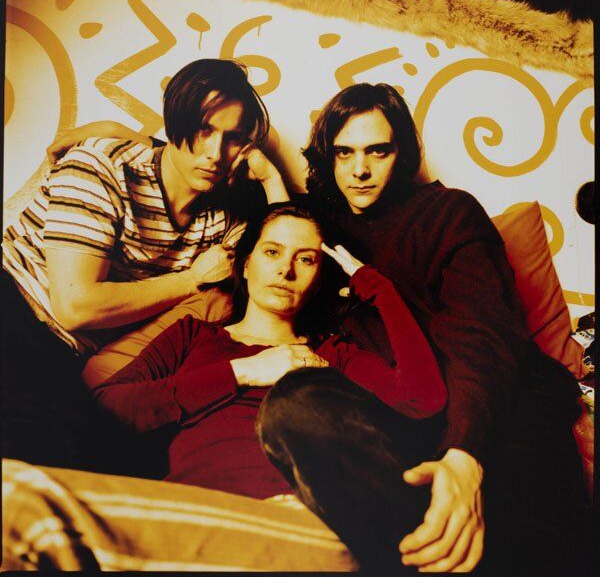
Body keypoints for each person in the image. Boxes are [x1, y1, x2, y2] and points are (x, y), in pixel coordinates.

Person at [279, 82, 588, 575]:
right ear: (327, 157)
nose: (360, 170)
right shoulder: (314, 226)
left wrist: (464, 453)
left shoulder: (448, 212)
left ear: (400, 153)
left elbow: (482, 335)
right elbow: (267, 245)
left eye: (377, 151)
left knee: (524, 541)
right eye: (344, 153)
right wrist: (264, 174)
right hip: (404, 406)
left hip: (500, 399)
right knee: (295, 406)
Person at [84, 202, 446, 567]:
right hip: (191, 512)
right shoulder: (192, 335)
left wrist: (380, 289)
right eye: (272, 252)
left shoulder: (331, 354)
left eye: (306, 259)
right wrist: (243, 371)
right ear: (246, 264)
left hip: (298, 522)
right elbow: (107, 408)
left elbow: (423, 400)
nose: (285, 270)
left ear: (319, 278)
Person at [1, 58, 288, 470]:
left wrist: (271, 179)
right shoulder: (103, 165)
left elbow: (287, 246)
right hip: (14, 304)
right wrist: (192, 279)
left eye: (233, 139)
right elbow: (75, 307)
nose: (214, 153)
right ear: (174, 124)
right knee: (38, 447)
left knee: (128, 457)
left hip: (65, 355)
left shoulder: (221, 219)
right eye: (203, 130)